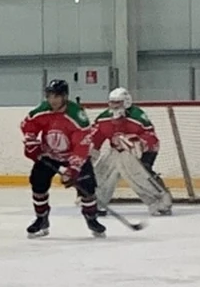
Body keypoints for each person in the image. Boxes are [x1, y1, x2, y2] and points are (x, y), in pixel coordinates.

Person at [21, 79, 105, 238]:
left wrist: (73, 168)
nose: (52, 100)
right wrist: (31, 143)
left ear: (65, 96)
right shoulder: (42, 110)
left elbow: (82, 145)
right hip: (49, 156)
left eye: (56, 96)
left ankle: (91, 219)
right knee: (38, 186)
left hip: (73, 156)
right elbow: (28, 125)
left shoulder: (77, 116)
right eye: (49, 96)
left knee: (87, 188)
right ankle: (41, 219)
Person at [91, 87, 172, 216]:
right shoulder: (103, 119)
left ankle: (161, 202)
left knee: (138, 175)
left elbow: (151, 138)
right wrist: (87, 157)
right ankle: (97, 203)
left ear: (126, 102)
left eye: (118, 102)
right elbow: (94, 139)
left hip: (141, 151)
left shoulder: (138, 116)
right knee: (102, 171)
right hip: (117, 150)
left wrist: (139, 144)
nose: (114, 106)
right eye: (112, 102)